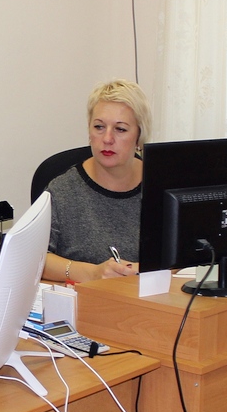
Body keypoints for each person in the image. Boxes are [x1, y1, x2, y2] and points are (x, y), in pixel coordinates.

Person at [42, 78, 150, 283]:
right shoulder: (62, 190)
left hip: (150, 299)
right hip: (85, 298)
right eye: (99, 127)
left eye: (120, 129)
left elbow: (189, 252)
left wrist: (150, 269)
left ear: (139, 136)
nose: (107, 139)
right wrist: (92, 273)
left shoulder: (161, 185)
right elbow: (35, 259)